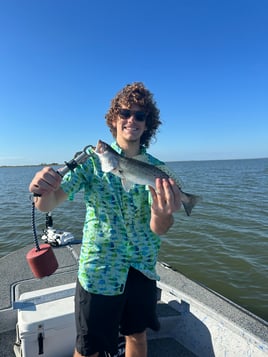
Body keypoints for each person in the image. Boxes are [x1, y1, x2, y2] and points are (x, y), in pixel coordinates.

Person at [29, 82, 181, 357]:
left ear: (148, 124)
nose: (131, 120)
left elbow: (160, 228)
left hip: (141, 267)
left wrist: (161, 213)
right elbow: (48, 203)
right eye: (125, 113)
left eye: (140, 115)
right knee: (88, 349)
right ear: (114, 119)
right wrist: (41, 191)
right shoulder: (90, 162)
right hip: (99, 269)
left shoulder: (159, 170)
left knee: (137, 336)